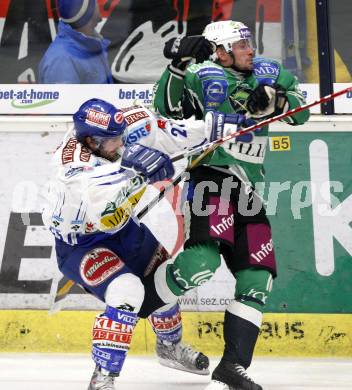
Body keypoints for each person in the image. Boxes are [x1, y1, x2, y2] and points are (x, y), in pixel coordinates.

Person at [42, 98, 247, 389]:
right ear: (90, 141)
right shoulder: (71, 166)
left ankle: (169, 347)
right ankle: (103, 375)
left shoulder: (121, 127)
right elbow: (103, 211)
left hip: (125, 231)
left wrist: (213, 127)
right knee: (128, 290)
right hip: (83, 245)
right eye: (114, 141)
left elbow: (165, 131)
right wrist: (135, 176)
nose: (122, 143)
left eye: (121, 135)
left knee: (162, 280)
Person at [153, 20, 310, 390]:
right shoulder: (201, 75)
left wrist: (279, 100)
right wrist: (176, 66)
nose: (249, 49)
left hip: (249, 189)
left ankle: (232, 367)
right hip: (212, 178)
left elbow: (301, 112)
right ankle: (142, 306)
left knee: (257, 278)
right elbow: (166, 110)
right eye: (240, 45)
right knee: (201, 264)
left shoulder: (267, 73)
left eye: (249, 42)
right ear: (220, 51)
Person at [38, 0, 113, 83]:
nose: (99, 5)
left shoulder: (92, 45)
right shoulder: (61, 61)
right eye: (95, 2)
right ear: (88, 11)